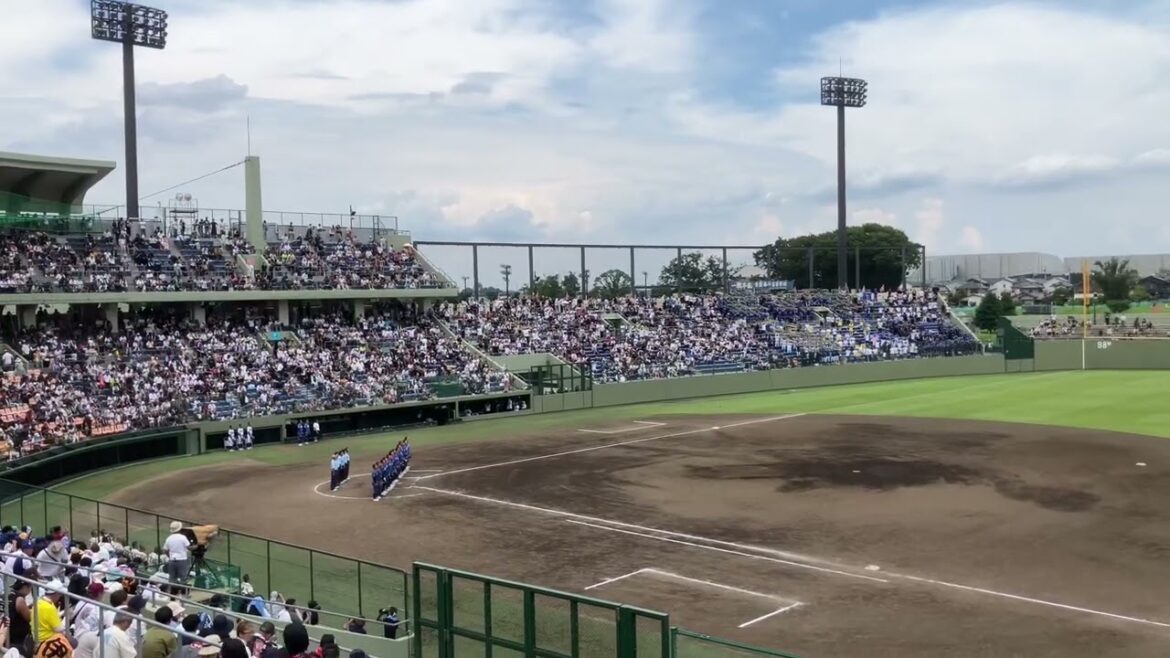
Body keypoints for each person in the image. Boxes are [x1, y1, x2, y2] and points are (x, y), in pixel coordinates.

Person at [35, 579, 68, 644]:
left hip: (38, 636)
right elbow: (59, 629)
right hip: (47, 640)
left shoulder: (39, 602)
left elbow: (49, 617)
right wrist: (67, 617)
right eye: (60, 595)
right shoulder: (50, 608)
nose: (60, 597)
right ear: (56, 594)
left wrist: (62, 613)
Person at [163, 522, 191, 592]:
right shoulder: (182, 537)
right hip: (182, 560)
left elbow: (165, 549)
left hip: (172, 560)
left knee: (172, 578)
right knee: (183, 578)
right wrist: (196, 546)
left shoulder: (168, 538)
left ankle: (172, 594)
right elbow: (189, 547)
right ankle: (183, 593)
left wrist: (170, 556)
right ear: (179, 529)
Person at [7, 579, 32, 650]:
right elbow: (29, 617)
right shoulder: (20, 599)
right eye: (30, 587)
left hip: (7, 631)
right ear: (25, 587)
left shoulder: (7, 594)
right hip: (17, 638)